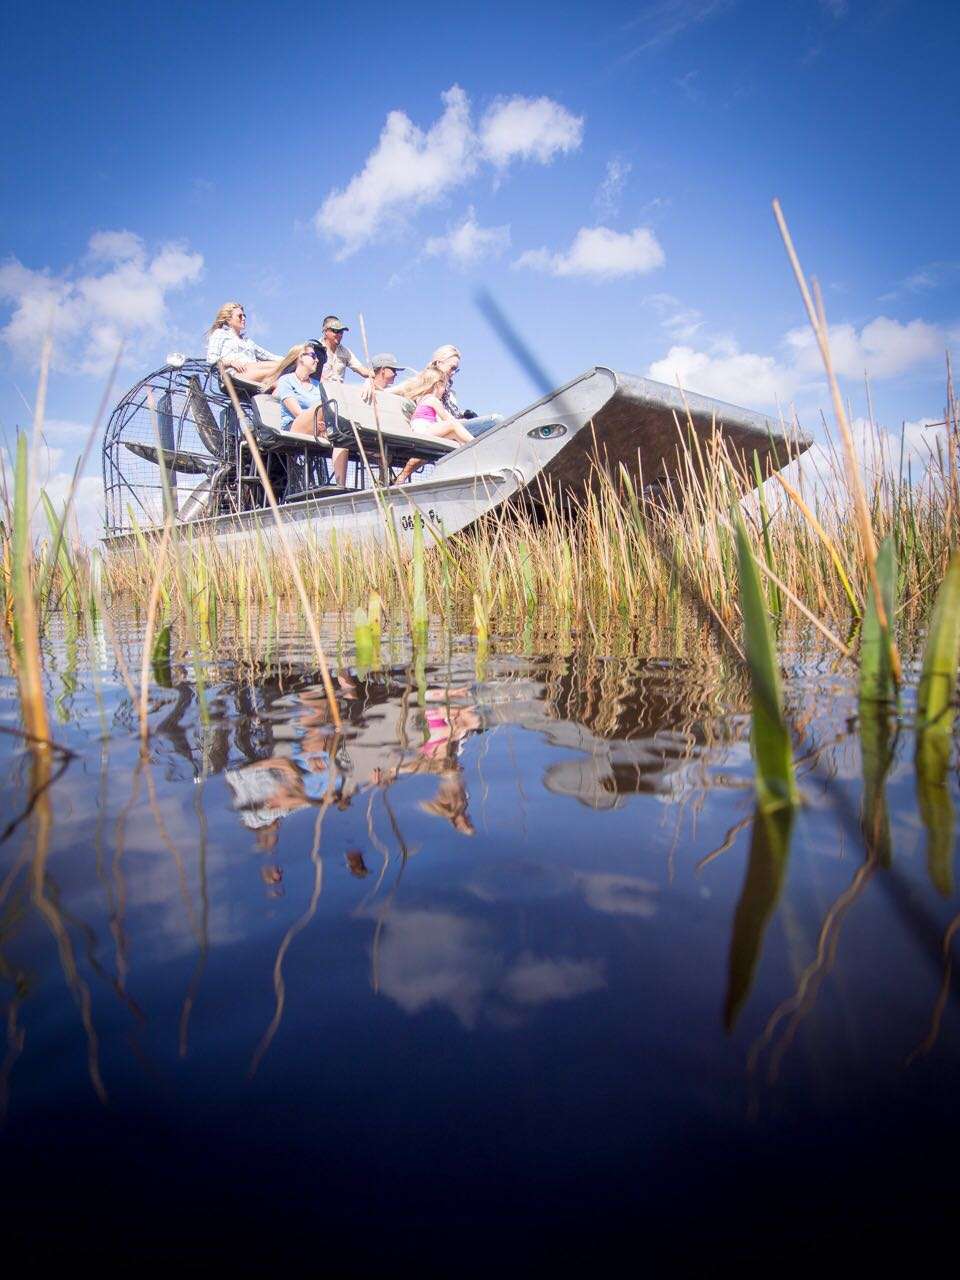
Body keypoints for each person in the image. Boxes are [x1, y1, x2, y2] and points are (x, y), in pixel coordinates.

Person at [394, 367, 474, 484]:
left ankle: (469, 455)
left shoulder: (422, 399)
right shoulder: (432, 400)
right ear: (437, 385)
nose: (445, 391)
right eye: (444, 387)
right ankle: (476, 443)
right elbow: (448, 418)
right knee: (453, 425)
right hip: (424, 432)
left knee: (454, 434)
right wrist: (463, 422)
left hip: (426, 431)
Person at [206, 302, 279, 383]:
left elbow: (268, 355)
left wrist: (290, 359)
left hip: (253, 371)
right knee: (278, 369)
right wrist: (231, 363)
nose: (243, 318)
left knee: (281, 367)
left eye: (244, 316)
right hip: (235, 375)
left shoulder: (247, 342)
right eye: (240, 316)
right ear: (228, 320)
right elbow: (211, 360)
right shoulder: (220, 334)